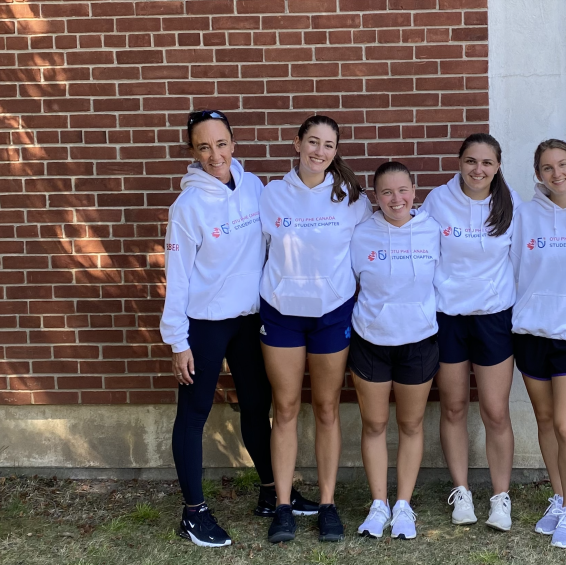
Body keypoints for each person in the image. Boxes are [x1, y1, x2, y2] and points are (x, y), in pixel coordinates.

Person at [161, 110, 317, 548]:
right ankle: (193, 513)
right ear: (192, 152)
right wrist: (178, 341)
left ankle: (272, 492)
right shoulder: (187, 207)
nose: (215, 155)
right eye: (204, 147)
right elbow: (178, 278)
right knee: (192, 417)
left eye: (222, 144)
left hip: (250, 321)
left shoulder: (253, 187)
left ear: (234, 143)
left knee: (256, 408)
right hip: (204, 326)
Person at [259, 115, 372, 544]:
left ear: (336, 151)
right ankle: (283, 506)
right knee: (285, 408)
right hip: (282, 314)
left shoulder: (351, 199)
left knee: (326, 409)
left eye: (328, 145)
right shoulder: (270, 196)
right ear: (297, 143)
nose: (319, 151)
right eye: (312, 142)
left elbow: (368, 254)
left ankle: (327, 504)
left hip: (331, 315)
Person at [420, 133, 519, 532]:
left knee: (496, 410)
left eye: (487, 163)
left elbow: (521, 261)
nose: (478, 170)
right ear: (459, 162)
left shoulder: (510, 207)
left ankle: (500, 497)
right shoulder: (438, 202)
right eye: (470, 161)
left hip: (494, 317)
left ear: (497, 166)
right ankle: (461, 491)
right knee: (455, 407)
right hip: (449, 318)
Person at [511, 139, 566, 549]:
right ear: (537, 174)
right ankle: (558, 497)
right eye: (547, 167)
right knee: (545, 422)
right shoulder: (525, 215)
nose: (556, 173)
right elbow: (510, 269)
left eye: (563, 164)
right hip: (530, 333)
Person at [349, 162, 441, 540]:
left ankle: (403, 505)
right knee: (374, 425)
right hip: (371, 341)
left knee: (411, 424)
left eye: (402, 190)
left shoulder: (433, 231)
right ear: (375, 196)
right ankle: (378, 504)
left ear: (414, 190)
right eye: (386, 192)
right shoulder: (361, 235)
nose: (395, 199)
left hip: (418, 340)